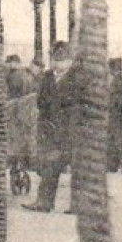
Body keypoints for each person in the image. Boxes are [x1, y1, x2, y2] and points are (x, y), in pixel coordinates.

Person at [25, 47, 87, 212]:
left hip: (72, 130)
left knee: (77, 169)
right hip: (51, 129)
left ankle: (78, 205)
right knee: (49, 166)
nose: (55, 63)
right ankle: (44, 202)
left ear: (68, 61)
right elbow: (41, 101)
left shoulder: (78, 78)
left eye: (60, 59)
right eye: (54, 58)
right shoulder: (47, 77)